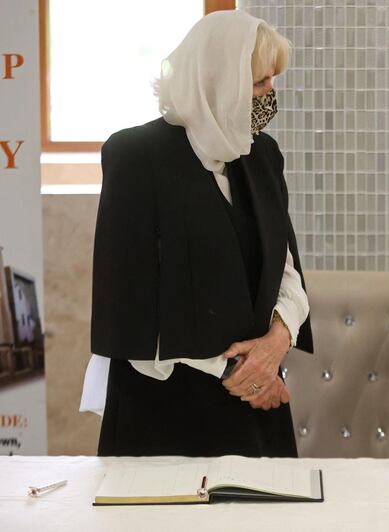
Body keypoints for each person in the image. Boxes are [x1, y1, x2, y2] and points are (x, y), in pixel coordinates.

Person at [80, 10, 313, 457]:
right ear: (219, 82)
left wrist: (277, 342)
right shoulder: (135, 156)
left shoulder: (261, 154)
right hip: (165, 410)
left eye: (272, 80)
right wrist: (242, 371)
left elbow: (286, 271)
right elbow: (128, 302)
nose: (272, 94)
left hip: (254, 404)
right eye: (260, 83)